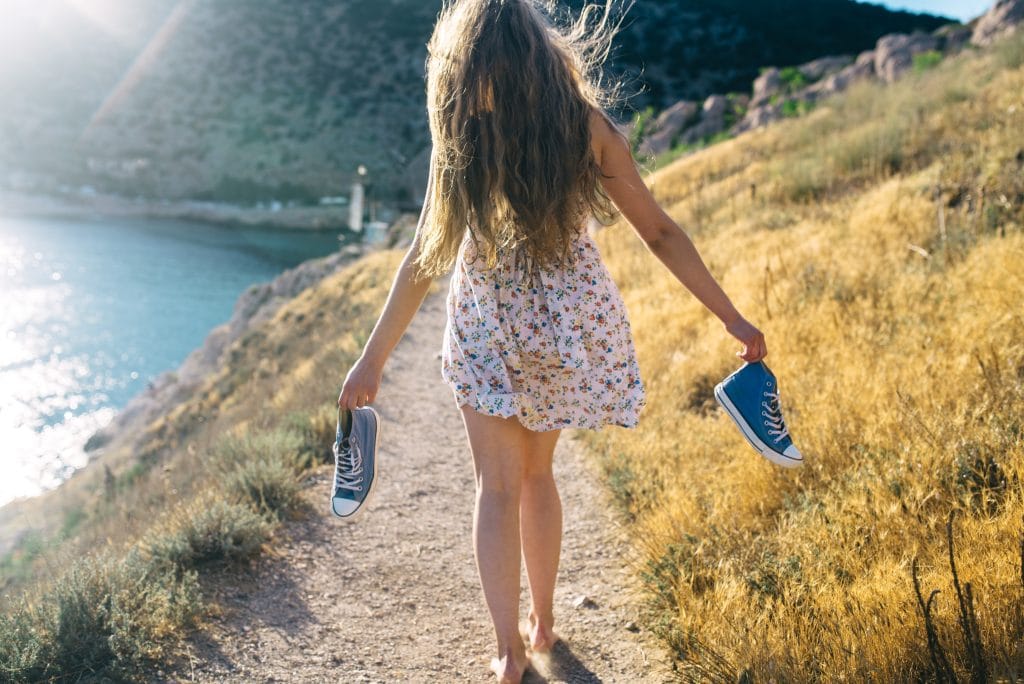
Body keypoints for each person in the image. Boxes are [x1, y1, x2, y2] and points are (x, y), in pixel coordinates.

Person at [337, 1, 766, 681]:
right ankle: (542, 620)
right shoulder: (586, 128)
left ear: (465, 64)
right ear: (542, 53)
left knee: (495, 487)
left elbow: (425, 255)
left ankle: (508, 651)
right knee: (537, 476)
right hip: (565, 328)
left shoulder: (463, 132)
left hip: (486, 327)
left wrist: (372, 360)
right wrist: (731, 317)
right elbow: (659, 232)